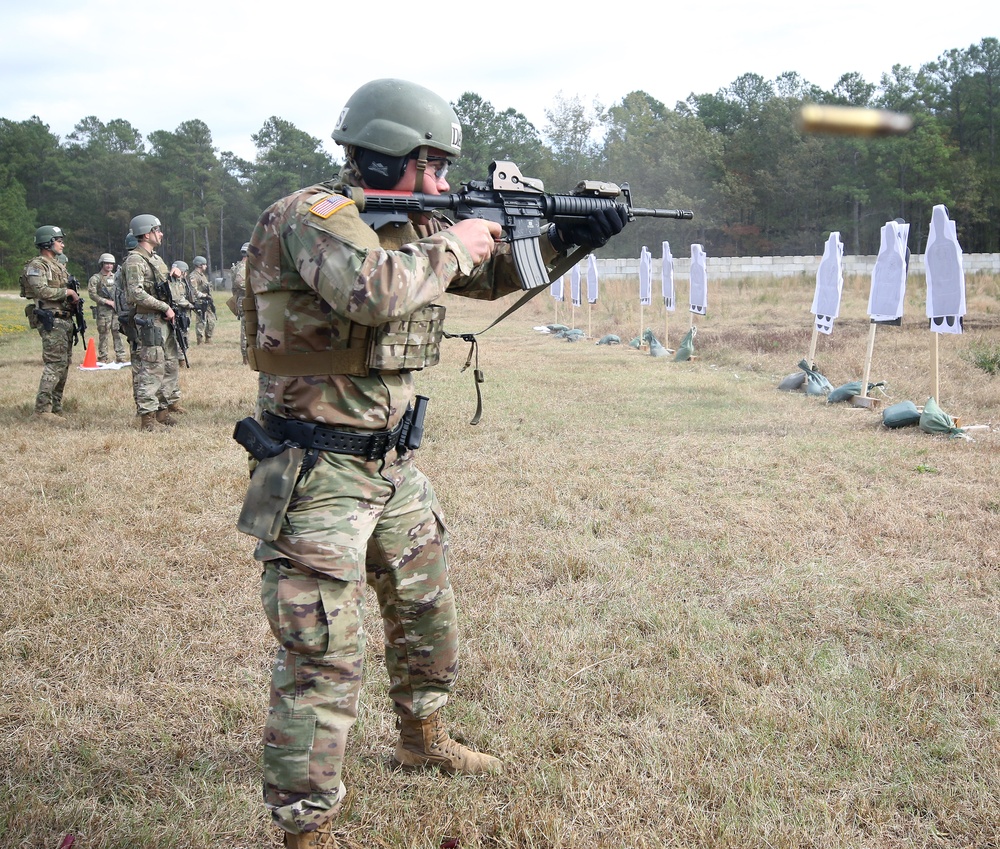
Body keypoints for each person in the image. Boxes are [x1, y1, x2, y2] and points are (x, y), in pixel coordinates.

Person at [240, 78, 627, 848]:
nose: (446, 186)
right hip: (316, 473)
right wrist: (458, 238)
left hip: (392, 466)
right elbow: (372, 289)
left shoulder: (417, 223)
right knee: (321, 649)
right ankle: (303, 824)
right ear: (393, 156)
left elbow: (500, 274)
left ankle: (424, 737)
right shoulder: (313, 219)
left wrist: (574, 232)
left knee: (426, 612)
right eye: (436, 167)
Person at [121, 214, 184, 431]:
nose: (161, 233)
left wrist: (174, 277)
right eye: (157, 229)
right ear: (147, 233)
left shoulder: (156, 259)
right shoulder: (135, 260)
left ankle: (162, 411)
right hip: (150, 320)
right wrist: (163, 307)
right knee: (151, 367)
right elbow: (136, 293)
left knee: (168, 364)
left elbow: (162, 287)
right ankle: (147, 419)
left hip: (163, 320)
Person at [23, 225, 80, 424]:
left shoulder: (57, 265)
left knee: (63, 365)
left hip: (63, 319)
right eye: (59, 240)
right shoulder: (37, 265)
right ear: (48, 242)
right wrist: (67, 293)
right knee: (54, 364)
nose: (62, 244)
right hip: (50, 318)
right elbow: (41, 291)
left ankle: (55, 407)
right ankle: (41, 410)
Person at [87, 252, 128, 364]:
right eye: (107, 264)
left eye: (111, 264)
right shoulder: (96, 278)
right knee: (103, 334)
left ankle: (121, 356)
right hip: (103, 311)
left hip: (116, 310)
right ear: (102, 264)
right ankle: (103, 357)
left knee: (117, 333)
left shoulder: (116, 277)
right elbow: (92, 294)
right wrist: (107, 301)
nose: (109, 266)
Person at [189, 255, 216, 344]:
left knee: (211, 320)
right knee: (201, 321)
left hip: (207, 301)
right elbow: (193, 290)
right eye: (204, 264)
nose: (206, 266)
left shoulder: (202, 275)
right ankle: (199, 341)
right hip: (200, 301)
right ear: (200, 265)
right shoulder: (193, 276)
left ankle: (208, 338)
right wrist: (203, 296)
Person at [230, 242, 249, 364]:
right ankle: (246, 358)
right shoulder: (243, 267)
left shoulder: (241, 266)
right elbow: (239, 283)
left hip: (246, 300)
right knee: (246, 329)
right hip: (246, 300)